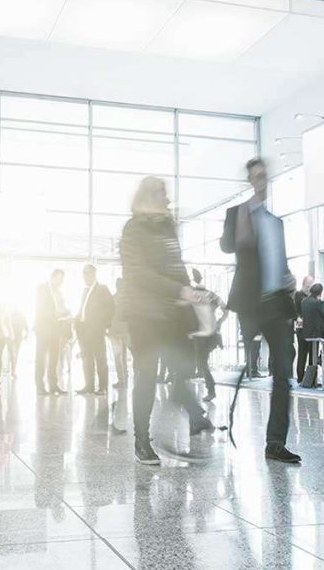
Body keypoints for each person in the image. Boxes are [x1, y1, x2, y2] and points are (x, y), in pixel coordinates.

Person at [120, 176, 213, 465]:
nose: (168, 199)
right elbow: (138, 273)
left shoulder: (168, 227)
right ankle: (142, 441)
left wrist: (191, 295)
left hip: (170, 313)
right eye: (162, 194)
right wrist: (179, 290)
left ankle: (194, 417)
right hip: (144, 314)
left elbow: (177, 265)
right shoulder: (134, 229)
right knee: (147, 376)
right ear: (148, 196)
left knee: (182, 367)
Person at [220, 158, 300, 464]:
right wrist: (239, 229)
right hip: (250, 304)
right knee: (248, 366)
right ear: (250, 180)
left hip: (278, 303)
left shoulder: (275, 223)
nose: (262, 181)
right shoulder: (237, 213)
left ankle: (275, 442)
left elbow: (279, 261)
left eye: (265, 176)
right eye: (256, 177)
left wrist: (289, 278)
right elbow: (227, 246)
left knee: (282, 372)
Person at [75, 264, 115, 395]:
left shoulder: (102, 289)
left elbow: (111, 307)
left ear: (94, 274)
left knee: (100, 359)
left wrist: (104, 325)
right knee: (86, 359)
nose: (85, 277)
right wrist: (77, 320)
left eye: (88, 274)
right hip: (84, 331)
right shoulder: (85, 291)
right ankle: (89, 386)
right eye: (84, 274)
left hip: (96, 330)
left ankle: (103, 387)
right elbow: (83, 309)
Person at [190, 268, 227, 402]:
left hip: (198, 334)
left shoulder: (192, 295)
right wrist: (219, 323)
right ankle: (210, 390)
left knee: (201, 363)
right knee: (202, 362)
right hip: (211, 334)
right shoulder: (211, 295)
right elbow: (225, 308)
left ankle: (210, 390)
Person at [35, 270, 69, 396]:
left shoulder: (59, 292)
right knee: (41, 359)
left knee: (54, 358)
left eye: (62, 281)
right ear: (53, 277)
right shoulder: (42, 288)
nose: (61, 283)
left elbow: (62, 307)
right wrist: (56, 314)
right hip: (43, 329)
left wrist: (66, 312)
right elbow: (40, 309)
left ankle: (53, 385)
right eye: (60, 280)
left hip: (56, 328)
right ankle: (40, 386)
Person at [108, 278, 130, 389]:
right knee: (124, 356)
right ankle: (125, 376)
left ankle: (122, 379)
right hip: (126, 331)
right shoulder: (128, 300)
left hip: (115, 331)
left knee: (118, 356)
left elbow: (110, 316)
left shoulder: (112, 299)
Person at [293, 276, 314, 384]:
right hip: (301, 327)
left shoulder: (312, 296)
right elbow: (294, 310)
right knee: (302, 352)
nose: (310, 286)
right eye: (308, 284)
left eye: (311, 284)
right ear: (304, 283)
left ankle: (311, 377)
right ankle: (300, 376)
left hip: (311, 327)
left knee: (312, 352)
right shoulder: (298, 295)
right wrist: (297, 317)